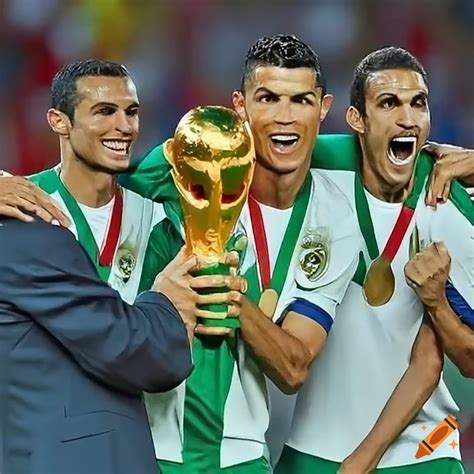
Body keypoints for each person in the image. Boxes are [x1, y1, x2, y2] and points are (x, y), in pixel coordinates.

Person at [0, 59, 247, 474]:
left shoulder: (162, 219)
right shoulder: (23, 209)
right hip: (53, 445)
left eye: (131, 112)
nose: (124, 126)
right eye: (104, 112)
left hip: (156, 443)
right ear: (58, 122)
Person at [274, 47, 471, 474]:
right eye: (389, 104)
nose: (407, 118)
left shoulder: (448, 201)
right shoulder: (314, 172)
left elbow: (457, 361)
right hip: (313, 450)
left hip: (419, 457)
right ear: (356, 120)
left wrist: (436, 300)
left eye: (418, 103)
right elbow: (230, 149)